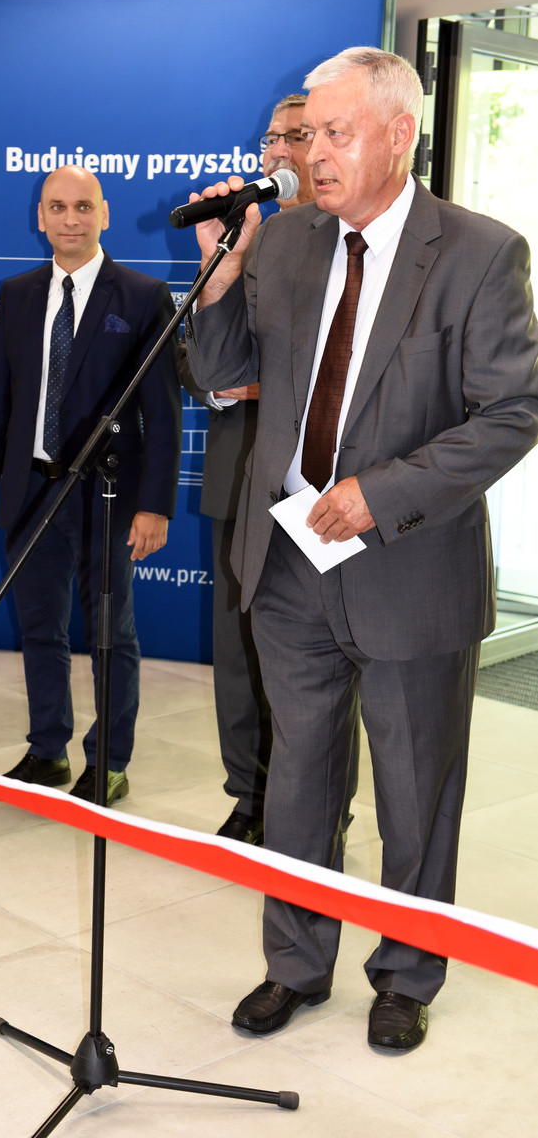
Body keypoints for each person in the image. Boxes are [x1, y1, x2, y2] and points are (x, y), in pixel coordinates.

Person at [185, 47, 538, 1051]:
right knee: (298, 778)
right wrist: (223, 272)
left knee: (415, 788)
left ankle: (407, 974)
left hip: (409, 568)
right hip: (289, 562)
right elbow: (219, 376)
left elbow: (512, 411)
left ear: (398, 135)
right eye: (306, 136)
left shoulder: (479, 252)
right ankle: (296, 965)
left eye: (335, 134)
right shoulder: (287, 243)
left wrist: (377, 496)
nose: (312, 155)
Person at [0, 165, 181, 806]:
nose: (70, 219)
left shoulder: (142, 296)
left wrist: (155, 505)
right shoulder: (16, 294)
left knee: (111, 634)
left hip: (107, 496)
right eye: (57, 207)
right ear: (40, 217)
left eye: (83, 206)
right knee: (39, 629)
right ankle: (47, 750)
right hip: (30, 491)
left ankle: (108, 761)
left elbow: (163, 414)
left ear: (104, 214)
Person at [178, 93, 322, 845]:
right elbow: (190, 350)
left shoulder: (348, 242)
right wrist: (220, 382)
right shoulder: (245, 234)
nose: (277, 151)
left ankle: (313, 801)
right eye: (270, 137)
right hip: (239, 478)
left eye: (295, 135)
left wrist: (265, 384)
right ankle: (249, 794)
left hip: (319, 491)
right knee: (238, 652)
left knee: (311, 661)